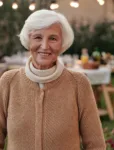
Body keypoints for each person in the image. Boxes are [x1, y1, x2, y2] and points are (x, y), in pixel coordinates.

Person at [0, 9, 106, 150]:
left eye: (53, 38)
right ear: (28, 40)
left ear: (62, 43)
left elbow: (95, 144)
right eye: (38, 37)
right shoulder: (9, 81)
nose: (45, 46)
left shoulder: (78, 83)